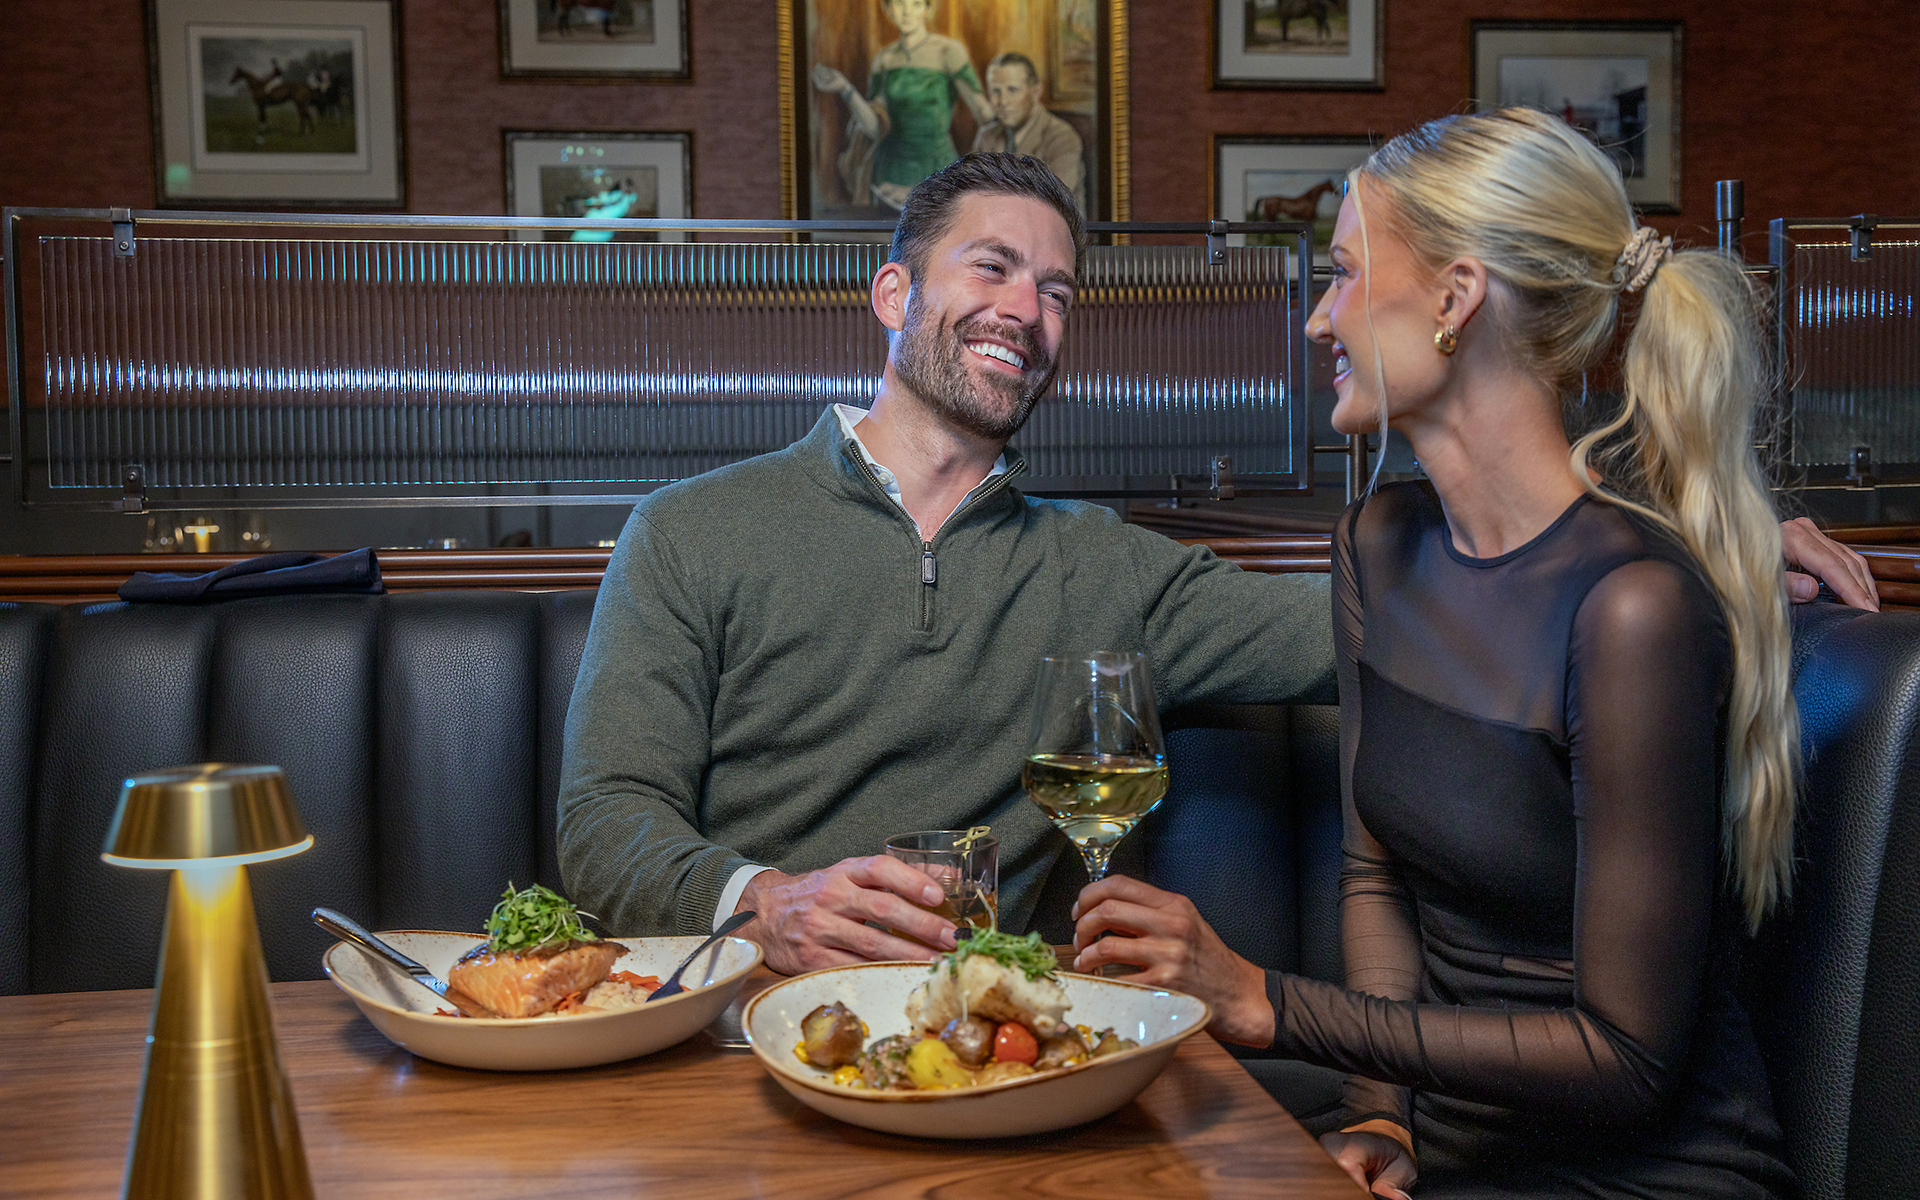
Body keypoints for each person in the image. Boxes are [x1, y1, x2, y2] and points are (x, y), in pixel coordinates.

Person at [557, 151, 1876, 984]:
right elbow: (605, 820)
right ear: (895, 297)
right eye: (992, 268)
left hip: (970, 1057)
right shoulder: (692, 530)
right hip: (727, 1027)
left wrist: (1706, 536)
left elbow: (1451, 600)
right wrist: (765, 902)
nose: (1026, 310)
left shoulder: (1111, 569)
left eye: (1058, 291)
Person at [1067, 108, 1830, 1198]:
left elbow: (1627, 1060)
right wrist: (1382, 1115)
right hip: (1456, 1153)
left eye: (1343, 272)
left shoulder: (1635, 608)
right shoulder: (1377, 545)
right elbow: (1376, 877)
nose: (1319, 317)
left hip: (1643, 1177)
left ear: (1454, 298)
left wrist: (1264, 1001)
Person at [811, 0, 994, 210]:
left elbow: (982, 112)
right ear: (889, 9)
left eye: (916, 4)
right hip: (890, 169)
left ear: (927, 9)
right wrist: (846, 89)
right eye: (900, 3)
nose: (907, 12)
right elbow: (875, 128)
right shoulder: (884, 60)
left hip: (937, 166)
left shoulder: (948, 51)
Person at [970, 53, 1087, 215]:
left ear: (1036, 91)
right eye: (996, 91)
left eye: (1013, 90)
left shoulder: (1062, 137)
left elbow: (1048, 206)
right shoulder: (986, 137)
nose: (1003, 101)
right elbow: (969, 196)